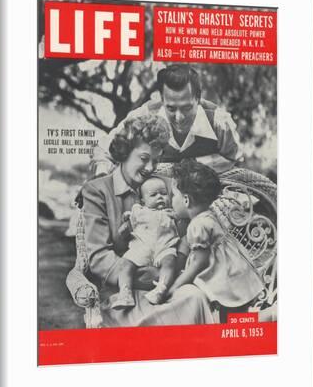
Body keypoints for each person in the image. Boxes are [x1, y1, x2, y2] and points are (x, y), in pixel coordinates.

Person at [81, 114, 216, 327]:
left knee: (194, 297)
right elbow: (98, 257)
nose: (151, 167)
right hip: (123, 294)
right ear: (124, 152)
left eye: (156, 160)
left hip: (166, 283)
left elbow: (189, 225)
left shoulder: (168, 186)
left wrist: (170, 273)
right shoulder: (98, 191)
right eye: (144, 159)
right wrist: (147, 277)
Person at [91, 64, 242, 176]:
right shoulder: (145, 114)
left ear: (198, 98)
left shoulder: (219, 122)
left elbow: (235, 162)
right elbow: (104, 149)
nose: (179, 118)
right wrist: (102, 175)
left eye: (186, 108)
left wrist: (190, 167)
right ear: (162, 99)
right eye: (170, 108)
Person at [168, 158, 264, 310]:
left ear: (186, 200)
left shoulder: (197, 225)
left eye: (173, 196)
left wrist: (176, 285)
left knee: (228, 317)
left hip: (225, 280)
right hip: (237, 274)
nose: (171, 200)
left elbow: (199, 262)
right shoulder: (209, 215)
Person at [110, 176, 179, 309]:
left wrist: (178, 218)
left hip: (164, 247)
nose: (160, 197)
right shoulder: (139, 211)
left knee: (170, 262)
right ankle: (125, 293)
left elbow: (180, 233)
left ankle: (161, 290)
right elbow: (127, 226)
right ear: (143, 200)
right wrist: (126, 225)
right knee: (125, 263)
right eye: (153, 195)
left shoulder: (171, 212)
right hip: (142, 247)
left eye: (164, 194)